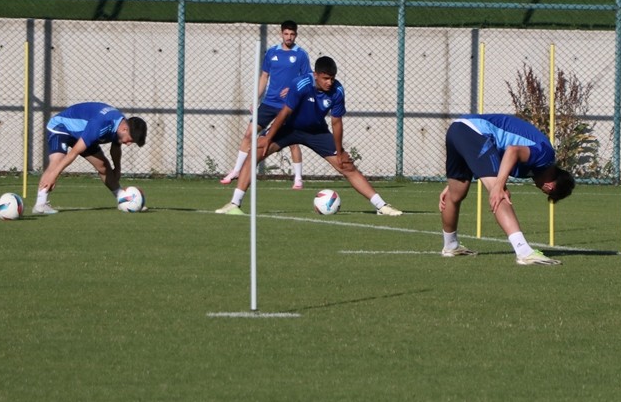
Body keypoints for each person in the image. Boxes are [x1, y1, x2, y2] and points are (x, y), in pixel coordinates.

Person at [215, 56, 403, 216]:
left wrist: (340, 151)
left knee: (346, 165)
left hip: (316, 131)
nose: (329, 82)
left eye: (332, 78)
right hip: (289, 128)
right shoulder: (301, 84)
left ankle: (381, 206)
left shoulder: (337, 91)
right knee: (255, 152)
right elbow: (284, 113)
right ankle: (234, 204)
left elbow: (336, 123)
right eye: (325, 78)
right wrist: (268, 137)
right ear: (316, 75)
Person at [436, 114, 574, 266]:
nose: (540, 187)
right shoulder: (545, 155)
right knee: (499, 192)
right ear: (551, 186)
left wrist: (451, 184)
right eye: (545, 191)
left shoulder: (530, 169)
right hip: (475, 132)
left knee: (456, 193)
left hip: (457, 129)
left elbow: (486, 159)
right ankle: (524, 252)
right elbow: (512, 151)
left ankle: (450, 246)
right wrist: (499, 186)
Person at [221, 20, 312, 189]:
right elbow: (264, 77)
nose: (289, 37)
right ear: (281, 34)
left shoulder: (301, 55)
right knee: (249, 134)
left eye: (292, 34)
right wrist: (256, 99)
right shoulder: (271, 53)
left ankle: (298, 178)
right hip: (269, 103)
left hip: (288, 105)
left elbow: (308, 78)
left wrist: (293, 89)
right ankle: (236, 171)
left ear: (296, 35)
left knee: (292, 141)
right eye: (286, 34)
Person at [33, 102, 148, 214]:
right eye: (130, 140)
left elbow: (115, 148)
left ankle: (122, 199)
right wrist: (54, 175)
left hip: (83, 132)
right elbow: (75, 152)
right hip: (61, 128)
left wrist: (117, 168)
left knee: (103, 166)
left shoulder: (120, 124)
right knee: (56, 163)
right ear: (124, 129)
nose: (128, 144)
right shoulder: (101, 124)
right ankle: (40, 204)